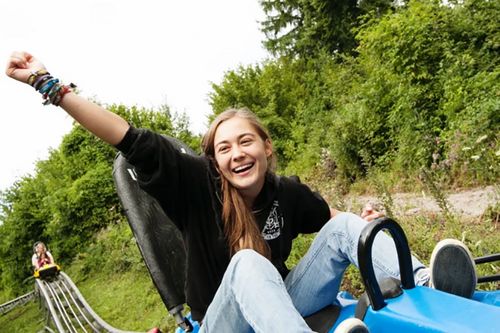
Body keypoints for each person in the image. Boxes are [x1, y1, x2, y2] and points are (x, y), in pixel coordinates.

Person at [6, 52, 477, 332]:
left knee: (346, 225)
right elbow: (128, 138)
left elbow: (332, 217)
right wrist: (47, 83)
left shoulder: (285, 193)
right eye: (225, 148)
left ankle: (432, 285)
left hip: (277, 307)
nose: (237, 154)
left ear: (266, 147)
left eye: (246, 141)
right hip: (224, 322)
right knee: (249, 262)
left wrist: (364, 227)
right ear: (215, 160)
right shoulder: (196, 186)